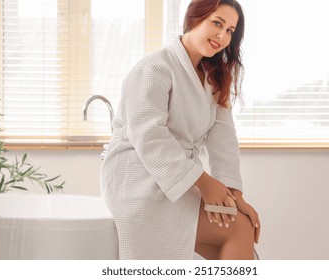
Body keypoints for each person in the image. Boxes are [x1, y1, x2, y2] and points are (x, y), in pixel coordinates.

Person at [100, 0, 260, 260]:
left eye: (230, 30)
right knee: (238, 229)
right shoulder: (154, 68)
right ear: (194, 18)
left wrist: (234, 194)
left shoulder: (214, 78)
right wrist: (205, 183)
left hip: (181, 180)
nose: (222, 36)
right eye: (217, 23)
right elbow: (149, 137)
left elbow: (224, 138)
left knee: (239, 223)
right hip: (138, 180)